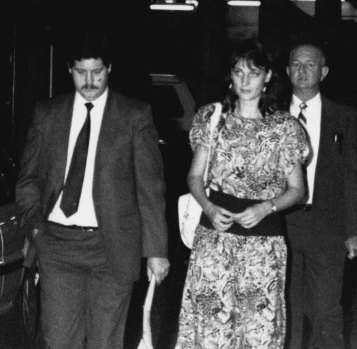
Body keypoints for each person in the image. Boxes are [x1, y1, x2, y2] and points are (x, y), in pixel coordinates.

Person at [16, 32, 170, 348]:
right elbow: (28, 180)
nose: (89, 80)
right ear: (68, 70)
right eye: (81, 72)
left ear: (109, 68)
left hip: (111, 246)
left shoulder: (135, 115)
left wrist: (156, 250)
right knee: (59, 340)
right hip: (58, 245)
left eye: (97, 71)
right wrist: (35, 229)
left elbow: (150, 189)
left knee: (105, 342)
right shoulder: (47, 114)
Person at [175, 40, 308, 348]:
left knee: (258, 333)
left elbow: (298, 190)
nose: (245, 81)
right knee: (211, 331)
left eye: (254, 73)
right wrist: (208, 207)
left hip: (263, 243)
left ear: (268, 77)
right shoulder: (213, 119)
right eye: (238, 72)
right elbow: (194, 176)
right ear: (230, 77)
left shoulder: (284, 128)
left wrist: (266, 207)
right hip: (215, 239)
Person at [284, 43, 357, 349]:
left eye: (310, 64)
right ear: (287, 70)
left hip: (327, 226)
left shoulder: (344, 116)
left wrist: (356, 230)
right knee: (284, 307)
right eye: (296, 64)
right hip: (282, 224)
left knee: (326, 311)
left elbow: (354, 175)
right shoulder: (272, 114)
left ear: (324, 71)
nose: (302, 70)